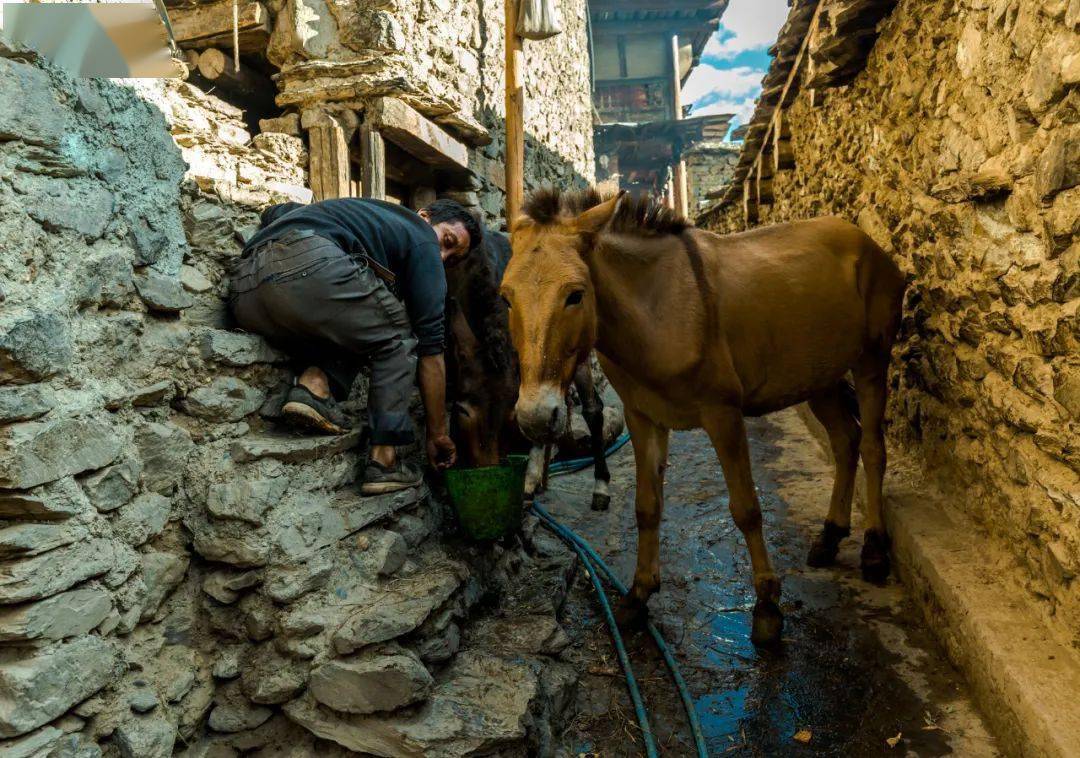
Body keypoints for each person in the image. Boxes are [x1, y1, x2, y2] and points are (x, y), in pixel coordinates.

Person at [229, 197, 483, 494]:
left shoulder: (348, 213)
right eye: (447, 240)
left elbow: (276, 210)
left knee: (366, 322)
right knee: (399, 336)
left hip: (244, 294)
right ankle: (384, 461)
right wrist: (437, 433)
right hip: (311, 271)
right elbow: (430, 349)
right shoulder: (420, 235)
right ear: (424, 217)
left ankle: (314, 387)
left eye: (451, 258)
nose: (441, 257)